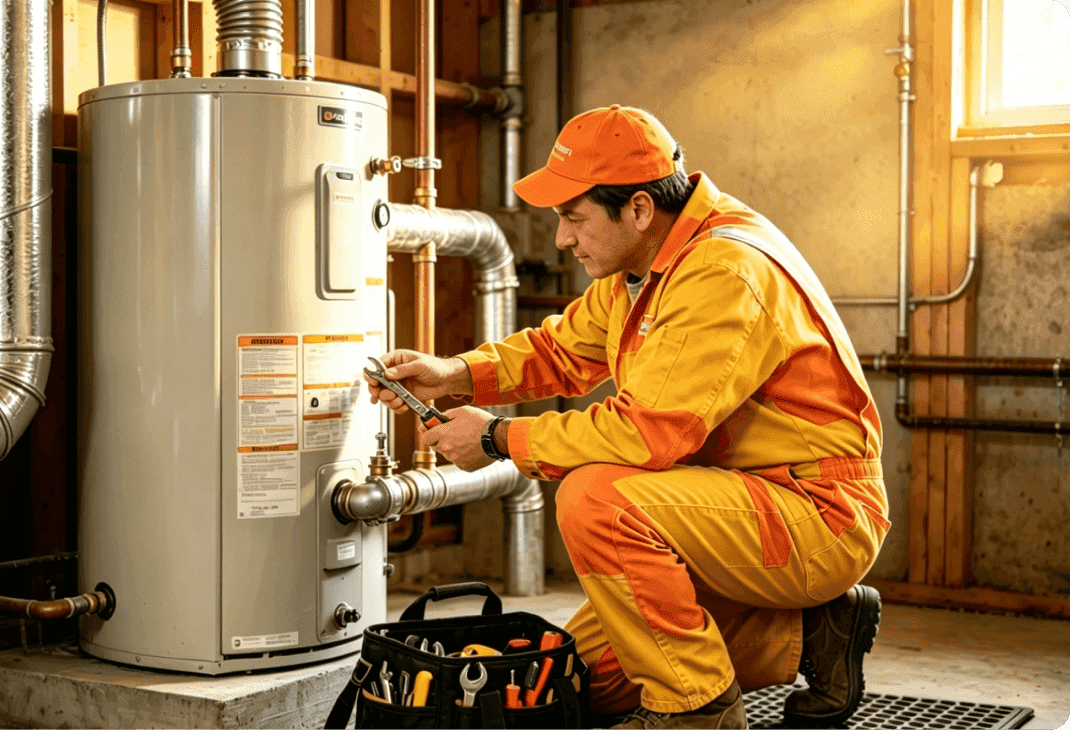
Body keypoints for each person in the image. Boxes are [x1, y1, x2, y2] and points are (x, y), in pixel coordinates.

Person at [365, 105, 890, 730]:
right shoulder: (645, 267)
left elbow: (647, 434)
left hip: (813, 515)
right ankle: (814, 635)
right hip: (726, 507)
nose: (562, 238)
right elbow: (560, 350)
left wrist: (496, 437)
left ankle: (696, 713)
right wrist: (454, 374)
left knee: (596, 499)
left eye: (573, 218)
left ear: (639, 208)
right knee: (579, 681)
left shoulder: (721, 273)